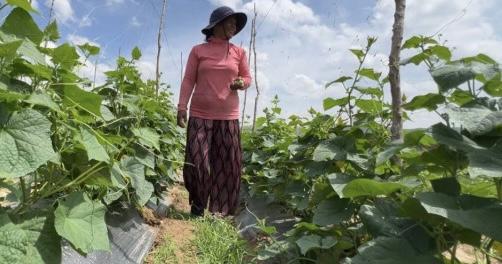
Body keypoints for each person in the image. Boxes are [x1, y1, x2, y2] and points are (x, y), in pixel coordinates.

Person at [176, 6, 252, 217]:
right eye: (230, 22)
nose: (234, 27)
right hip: (200, 115)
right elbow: (188, 79)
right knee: (197, 161)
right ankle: (198, 205)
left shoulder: (239, 52)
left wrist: (241, 83)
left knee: (229, 164)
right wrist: (182, 106)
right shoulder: (198, 51)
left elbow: (247, 78)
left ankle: (221, 211)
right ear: (217, 25)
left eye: (236, 24)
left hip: (228, 118)